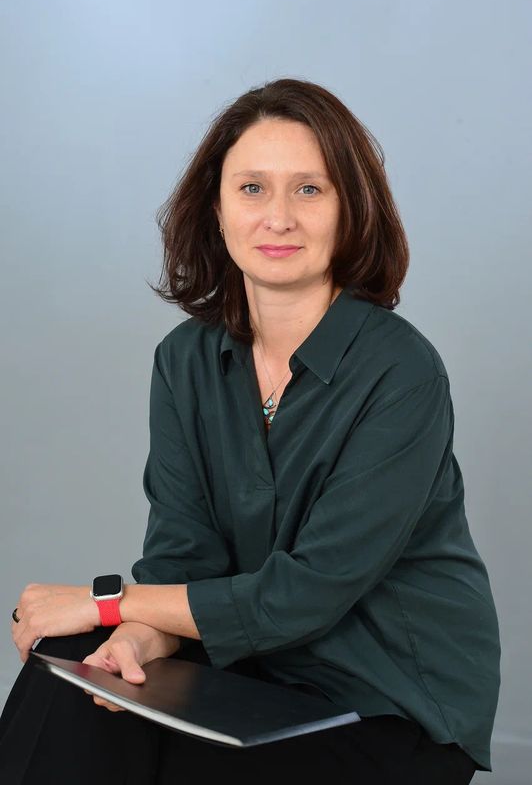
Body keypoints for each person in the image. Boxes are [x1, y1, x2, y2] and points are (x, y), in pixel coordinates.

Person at [0, 77, 500, 785]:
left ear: (350, 210)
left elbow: (305, 595)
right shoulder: (185, 360)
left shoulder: (402, 370)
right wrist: (134, 636)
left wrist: (107, 601)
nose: (279, 218)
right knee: (74, 672)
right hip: (246, 670)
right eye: (253, 189)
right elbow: (184, 556)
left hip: (387, 698)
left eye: (309, 190)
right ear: (218, 208)